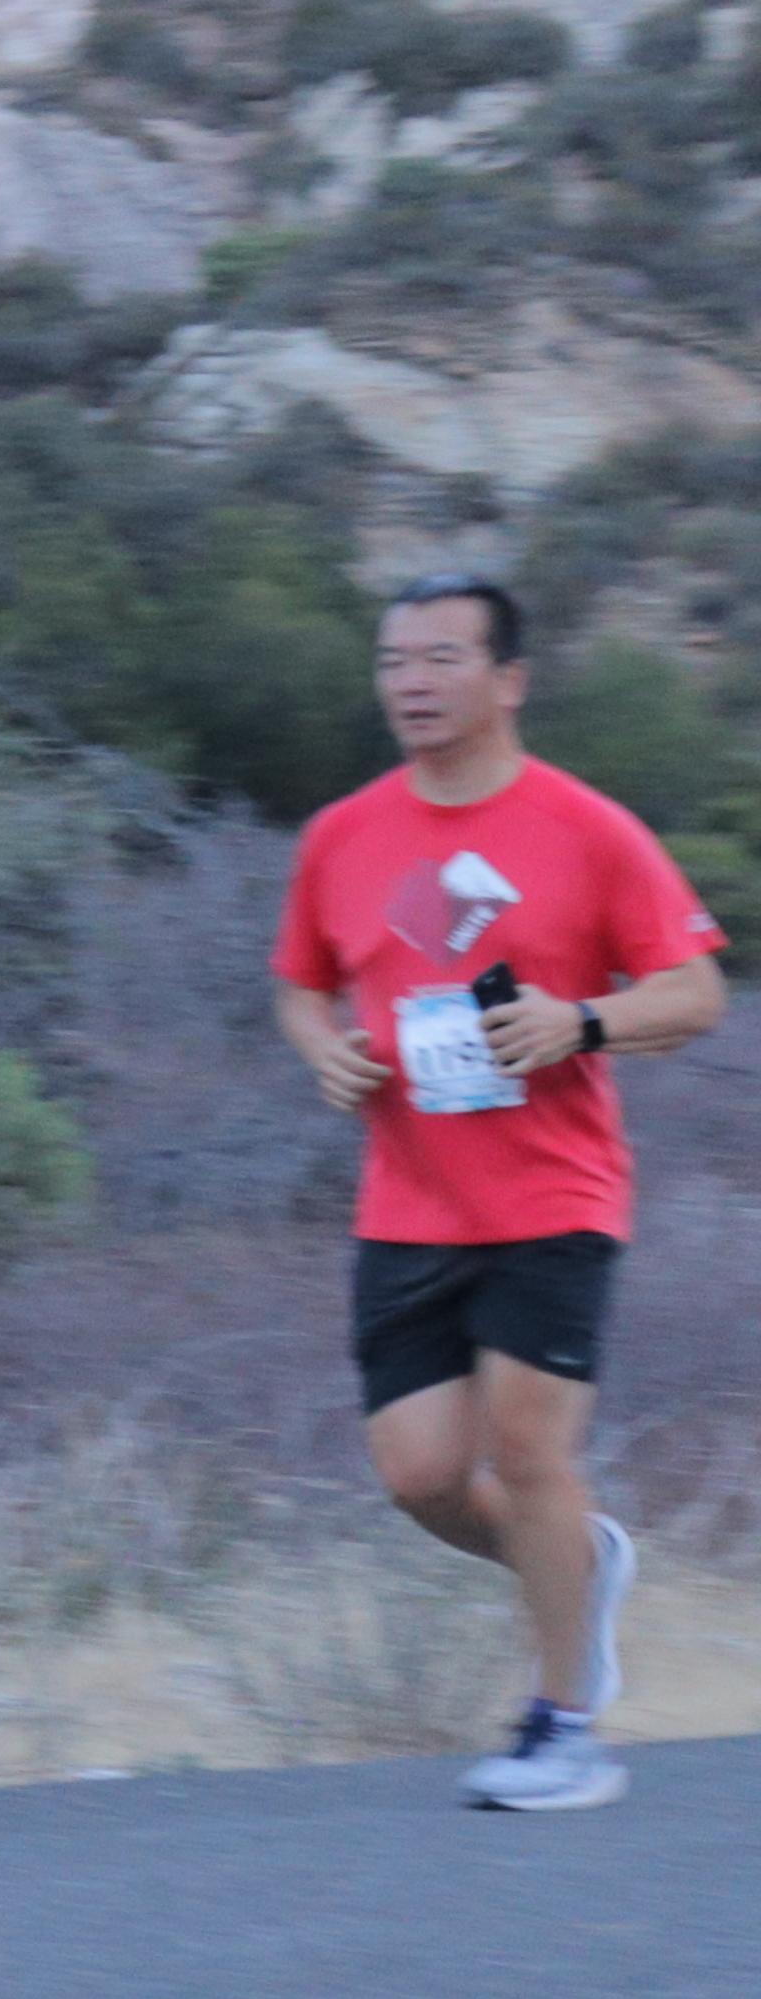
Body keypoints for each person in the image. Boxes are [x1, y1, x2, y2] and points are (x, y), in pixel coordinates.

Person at [267, 574, 729, 1813]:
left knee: (529, 1454)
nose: (411, 682)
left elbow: (695, 992)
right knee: (420, 1476)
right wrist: (321, 1051)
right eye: (394, 660)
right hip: (406, 1204)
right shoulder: (343, 835)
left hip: (555, 1196)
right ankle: (579, 1558)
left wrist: (582, 1019)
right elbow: (302, 983)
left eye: (442, 657)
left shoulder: (587, 828)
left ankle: (565, 1728)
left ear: (509, 679)